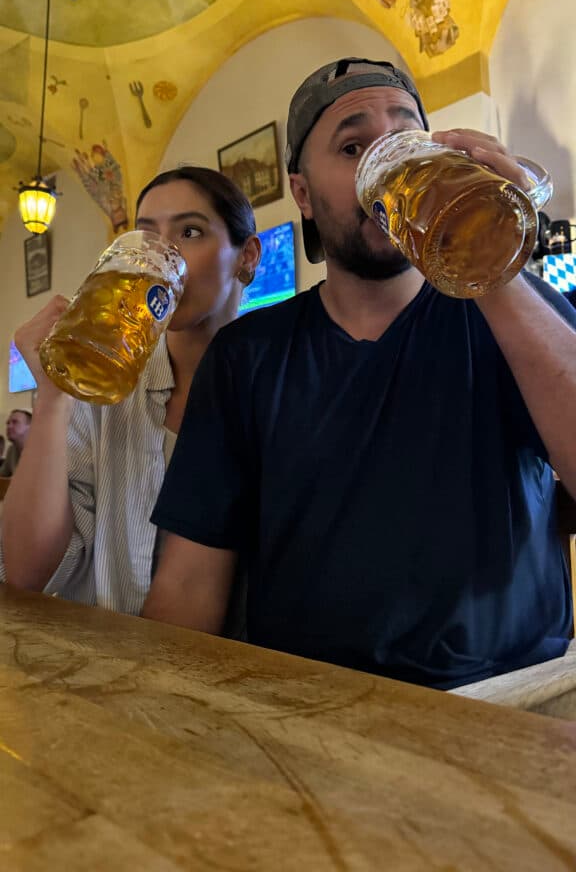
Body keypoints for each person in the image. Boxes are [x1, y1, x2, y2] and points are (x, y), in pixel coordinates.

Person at [142, 58, 576, 692]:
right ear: (303, 193)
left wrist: (488, 257)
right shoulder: (246, 356)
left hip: (512, 701)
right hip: (314, 715)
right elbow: (188, 586)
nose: (390, 160)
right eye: (352, 146)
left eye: (407, 138)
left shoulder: (520, 311)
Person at [0, 167, 260, 614]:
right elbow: (24, 574)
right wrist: (54, 395)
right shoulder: (106, 390)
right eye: (147, 236)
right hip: (109, 664)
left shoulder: (277, 381)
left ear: (247, 257)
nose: (160, 256)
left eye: (190, 231)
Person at [0, 410, 32, 476]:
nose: (9, 426)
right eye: (8, 423)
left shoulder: (43, 452)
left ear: (31, 427)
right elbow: (2, 476)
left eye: (15, 422)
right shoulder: (11, 450)